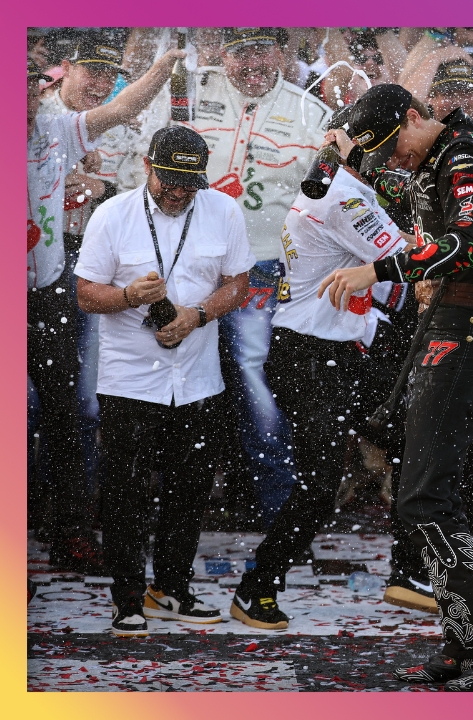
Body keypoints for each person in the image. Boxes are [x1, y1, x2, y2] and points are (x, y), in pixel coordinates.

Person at [317, 84, 473, 691]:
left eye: (395, 148)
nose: (394, 161)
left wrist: (379, 268)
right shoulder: (431, 156)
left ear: (416, 117)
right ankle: (468, 641)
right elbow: (393, 188)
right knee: (428, 491)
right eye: (382, 155)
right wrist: (344, 155)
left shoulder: (462, 157)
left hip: (470, 326)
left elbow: (464, 247)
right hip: (447, 322)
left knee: (424, 497)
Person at [229, 110, 427, 630]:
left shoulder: (345, 191)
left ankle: (408, 571)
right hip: (310, 356)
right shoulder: (341, 197)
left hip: (337, 353)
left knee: (412, 439)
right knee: (318, 486)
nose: (404, 161)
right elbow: (418, 261)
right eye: (400, 147)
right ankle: (257, 587)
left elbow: (396, 287)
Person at [75, 126, 254, 636]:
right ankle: (127, 598)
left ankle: (171, 588)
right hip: (130, 378)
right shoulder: (113, 215)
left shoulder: (222, 210)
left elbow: (238, 282)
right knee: (126, 493)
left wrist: (198, 315)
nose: (179, 192)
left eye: (189, 182)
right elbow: (86, 294)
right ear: (148, 166)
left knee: (189, 490)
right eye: (170, 180)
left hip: (198, 377)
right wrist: (130, 297)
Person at [27, 46, 185, 575]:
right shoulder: (44, 123)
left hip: (66, 280)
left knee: (74, 409)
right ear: (63, 73)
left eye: (112, 77)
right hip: (41, 277)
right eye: (92, 72)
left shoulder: (62, 130)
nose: (101, 84)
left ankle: (72, 527)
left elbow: (118, 121)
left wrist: (101, 188)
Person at [175, 27, 332, 527]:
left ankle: (276, 505)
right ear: (222, 53)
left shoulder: (313, 114)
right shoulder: (191, 94)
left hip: (264, 268)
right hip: (189, 264)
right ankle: (186, 503)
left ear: (284, 52)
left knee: (253, 380)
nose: (252, 62)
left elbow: (328, 201)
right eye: (241, 51)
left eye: (263, 49)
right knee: (185, 378)